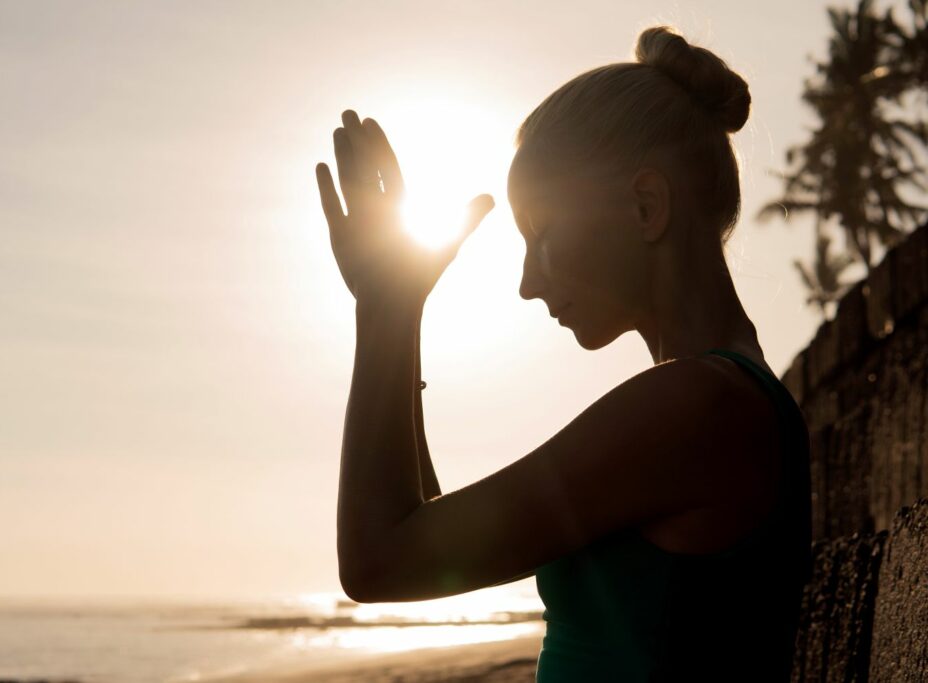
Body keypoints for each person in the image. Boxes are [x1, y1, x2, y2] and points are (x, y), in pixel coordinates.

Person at [314, 24, 812, 682]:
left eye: (541, 234)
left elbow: (380, 559)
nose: (528, 282)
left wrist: (384, 307)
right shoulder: (717, 401)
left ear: (644, 205)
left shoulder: (697, 407)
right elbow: (438, 545)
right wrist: (398, 315)